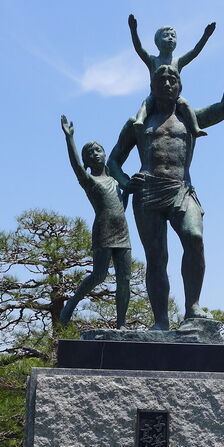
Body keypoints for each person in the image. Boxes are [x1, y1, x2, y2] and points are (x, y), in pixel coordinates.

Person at [107, 36, 224, 331]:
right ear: (152, 86)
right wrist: (126, 182)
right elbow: (113, 160)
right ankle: (161, 321)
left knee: (194, 237)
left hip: (182, 189)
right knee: (157, 258)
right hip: (147, 192)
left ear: (180, 86)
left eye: (173, 80)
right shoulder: (138, 123)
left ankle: (193, 307)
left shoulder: (189, 118)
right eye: (162, 80)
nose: (168, 83)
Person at [59, 116, 131, 328]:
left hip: (123, 231)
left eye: (98, 150)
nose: (95, 154)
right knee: (99, 275)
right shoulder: (89, 181)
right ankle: (72, 303)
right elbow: (76, 166)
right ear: (87, 161)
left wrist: (129, 190)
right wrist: (69, 138)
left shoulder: (115, 181)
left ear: (105, 154)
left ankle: (121, 324)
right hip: (103, 230)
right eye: (89, 153)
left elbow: (122, 207)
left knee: (125, 279)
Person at [128, 15, 216, 138]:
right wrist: (133, 30)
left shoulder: (178, 61)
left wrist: (205, 36)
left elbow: (194, 52)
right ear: (157, 42)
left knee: (185, 104)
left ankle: (195, 128)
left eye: (173, 36)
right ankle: (140, 120)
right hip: (155, 96)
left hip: (174, 97)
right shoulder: (153, 60)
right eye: (166, 36)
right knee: (147, 103)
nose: (170, 38)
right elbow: (139, 49)